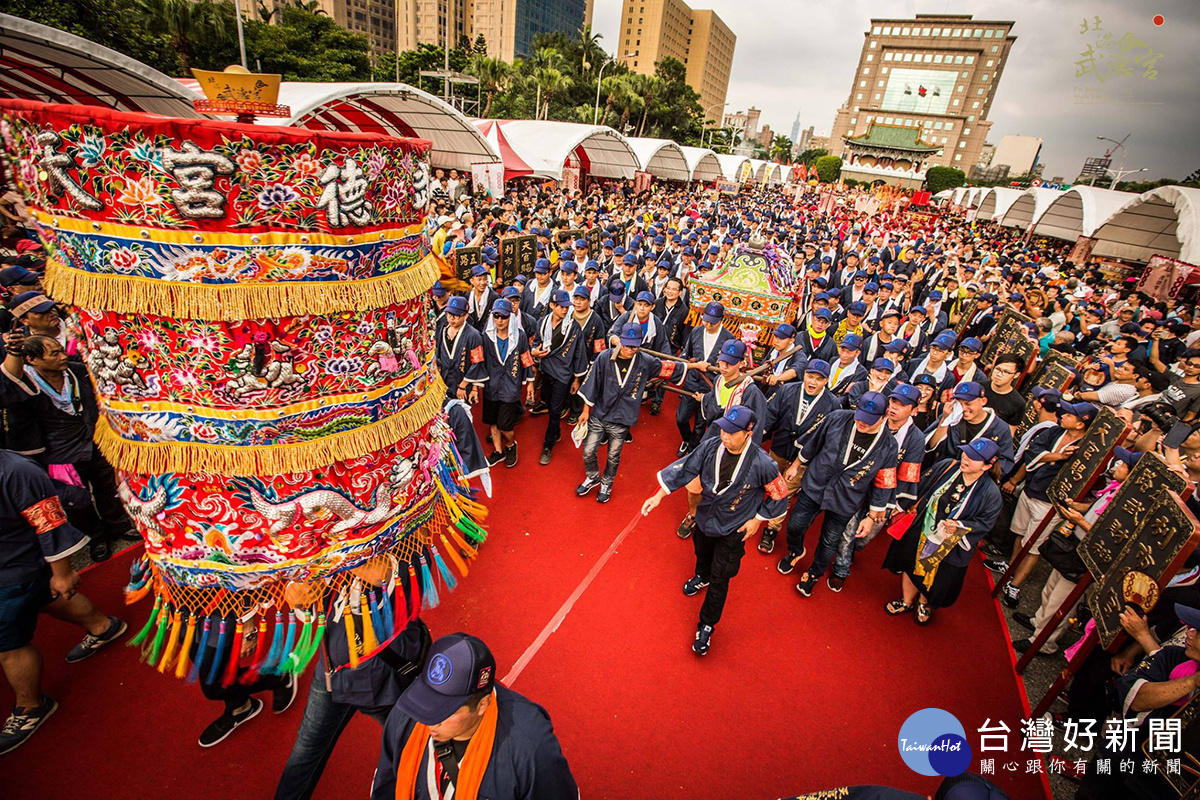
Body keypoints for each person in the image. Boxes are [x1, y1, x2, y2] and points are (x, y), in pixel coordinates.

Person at [0, 450, 126, 754]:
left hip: (16, 571)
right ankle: (103, 627)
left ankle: (30, 707)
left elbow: (50, 523)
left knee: (9, 646)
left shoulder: (15, 471)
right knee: (47, 599)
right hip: (17, 572)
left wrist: (64, 572)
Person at [640, 406, 788, 656]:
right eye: (723, 430)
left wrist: (758, 519)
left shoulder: (764, 463)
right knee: (701, 553)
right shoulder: (710, 448)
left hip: (735, 527)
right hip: (707, 517)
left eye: (732, 433)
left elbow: (779, 494)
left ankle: (707, 624)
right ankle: (701, 576)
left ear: (748, 433)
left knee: (722, 576)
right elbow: (686, 468)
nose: (724, 436)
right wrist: (660, 495)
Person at [371, 633, 577, 800]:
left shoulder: (530, 746)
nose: (428, 719)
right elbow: (386, 786)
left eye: (445, 711)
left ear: (482, 705)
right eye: (426, 700)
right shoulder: (407, 713)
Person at [2, 333, 133, 562]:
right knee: (77, 501)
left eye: (62, 351)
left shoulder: (78, 371)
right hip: (60, 453)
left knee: (108, 488)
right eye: (54, 354)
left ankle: (119, 526)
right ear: (32, 360)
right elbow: (16, 410)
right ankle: (96, 537)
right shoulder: (26, 386)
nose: (63, 356)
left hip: (95, 443)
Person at [274, 612, 430, 799]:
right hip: (333, 672)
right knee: (306, 750)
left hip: (383, 677)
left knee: (414, 747)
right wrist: (299, 598)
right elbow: (311, 608)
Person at [779, 392, 898, 596]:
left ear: (884, 417)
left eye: (869, 421)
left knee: (829, 541)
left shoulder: (889, 445)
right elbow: (813, 444)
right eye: (859, 416)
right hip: (816, 483)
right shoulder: (837, 418)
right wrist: (796, 465)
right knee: (795, 524)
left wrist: (871, 516)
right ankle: (796, 550)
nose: (861, 422)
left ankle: (814, 573)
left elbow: (883, 482)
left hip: (846, 498)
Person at [882, 438, 1004, 625]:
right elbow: (921, 485)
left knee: (936, 574)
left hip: (950, 542)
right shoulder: (948, 466)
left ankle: (923, 602)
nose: (966, 458)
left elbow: (985, 523)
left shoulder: (991, 494)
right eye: (967, 453)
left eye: (974, 458)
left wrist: (961, 526)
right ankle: (906, 601)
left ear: (987, 466)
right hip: (924, 527)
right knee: (910, 562)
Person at [576, 323, 691, 503]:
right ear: (620, 340)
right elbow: (592, 383)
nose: (631, 349)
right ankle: (593, 476)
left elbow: (668, 367)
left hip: (622, 417)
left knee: (613, 455)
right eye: (627, 344)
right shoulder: (604, 358)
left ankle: (607, 482)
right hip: (600, 412)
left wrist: (695, 366)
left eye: (635, 345)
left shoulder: (644, 360)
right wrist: (585, 410)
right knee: (588, 450)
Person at [998, 401, 1095, 609]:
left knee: (1034, 545)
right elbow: (1033, 451)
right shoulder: (1054, 432)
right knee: (1020, 533)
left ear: (1081, 424)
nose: (1063, 415)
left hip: (1050, 502)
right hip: (1031, 489)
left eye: (1070, 414)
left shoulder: (1087, 450)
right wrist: (1057, 457)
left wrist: (1051, 460)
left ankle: (1015, 584)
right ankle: (1011, 568)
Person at [832, 383, 927, 591]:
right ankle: (841, 567)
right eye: (893, 401)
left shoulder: (916, 438)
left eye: (902, 405)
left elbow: (908, 475)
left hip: (886, 493)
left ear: (914, 410)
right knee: (849, 530)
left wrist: (891, 504)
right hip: (858, 484)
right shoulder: (873, 420)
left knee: (865, 536)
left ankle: (848, 550)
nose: (894, 407)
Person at [758, 359, 839, 554]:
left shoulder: (833, 405)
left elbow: (828, 439)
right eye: (810, 376)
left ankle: (771, 529)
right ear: (804, 375)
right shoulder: (787, 391)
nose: (813, 382)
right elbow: (770, 416)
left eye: (819, 379)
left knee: (784, 492)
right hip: (779, 448)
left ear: (826, 381)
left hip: (803, 461)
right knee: (766, 482)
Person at [473, 299, 534, 469]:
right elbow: (479, 361)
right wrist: (476, 386)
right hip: (491, 386)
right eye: (496, 316)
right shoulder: (486, 336)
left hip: (510, 386)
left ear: (511, 317)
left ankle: (511, 444)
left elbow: (525, 359)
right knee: (492, 422)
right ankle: (499, 452)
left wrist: (529, 383)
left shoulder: (520, 336)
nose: (499, 320)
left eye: (504, 317)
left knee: (505, 425)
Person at [531, 291, 588, 465]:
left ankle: (548, 445)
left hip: (563, 374)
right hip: (546, 370)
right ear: (552, 306)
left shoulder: (573, 327)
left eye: (566, 307)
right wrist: (534, 352)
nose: (565, 310)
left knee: (555, 410)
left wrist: (577, 379)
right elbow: (535, 343)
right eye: (561, 307)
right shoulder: (542, 323)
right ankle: (555, 432)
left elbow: (579, 353)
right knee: (547, 401)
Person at [675, 302, 733, 456]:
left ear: (721, 320)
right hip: (693, 381)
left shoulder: (729, 339)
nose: (708, 324)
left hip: (711, 386)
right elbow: (686, 354)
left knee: (701, 422)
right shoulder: (696, 331)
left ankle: (693, 448)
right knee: (681, 417)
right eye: (705, 320)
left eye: (712, 322)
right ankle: (686, 439)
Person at [925, 381, 1016, 475]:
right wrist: (944, 419)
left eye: (968, 403)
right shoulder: (952, 416)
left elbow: (1005, 462)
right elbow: (932, 446)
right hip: (944, 471)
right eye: (959, 404)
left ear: (983, 401)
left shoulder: (1000, 428)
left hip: (973, 478)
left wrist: (978, 473)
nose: (963, 408)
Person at [435, 296, 486, 402]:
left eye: (456, 316)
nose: (451, 319)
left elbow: (477, 362)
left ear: (465, 316)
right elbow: (438, 353)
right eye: (449, 315)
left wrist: (463, 386)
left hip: (463, 386)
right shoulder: (443, 329)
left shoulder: (474, 335)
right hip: (444, 384)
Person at [982, 353, 1026, 428]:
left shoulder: (1018, 403)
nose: (999, 374)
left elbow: (1009, 433)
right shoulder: (978, 387)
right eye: (997, 369)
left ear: (1016, 375)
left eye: (1006, 372)